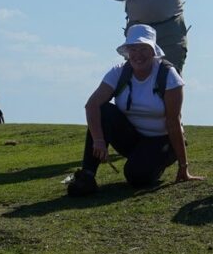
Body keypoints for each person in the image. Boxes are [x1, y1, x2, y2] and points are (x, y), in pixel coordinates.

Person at [66, 24, 202, 197]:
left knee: (136, 177)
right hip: (133, 138)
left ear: (153, 51)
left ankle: (154, 164)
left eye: (144, 49)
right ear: (127, 52)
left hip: (162, 140)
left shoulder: (168, 75)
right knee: (104, 110)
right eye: (133, 49)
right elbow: (92, 105)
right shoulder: (119, 72)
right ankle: (87, 176)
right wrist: (99, 140)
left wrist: (184, 167)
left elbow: (173, 121)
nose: (138, 55)